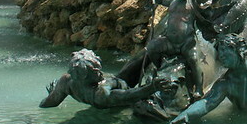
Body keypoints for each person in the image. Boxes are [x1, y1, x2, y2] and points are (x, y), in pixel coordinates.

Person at [117, 0, 222, 101]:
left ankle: (199, 88)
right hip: (169, 41)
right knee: (151, 47)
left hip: (187, 42)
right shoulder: (173, 1)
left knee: (193, 60)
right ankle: (160, 65)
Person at [39, 48, 172, 109]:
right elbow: (129, 95)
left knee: (150, 48)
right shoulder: (101, 94)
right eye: (96, 71)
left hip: (118, 80)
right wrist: (152, 87)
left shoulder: (66, 81)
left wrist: (52, 93)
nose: (100, 73)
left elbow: (48, 103)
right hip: (127, 89)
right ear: (85, 76)